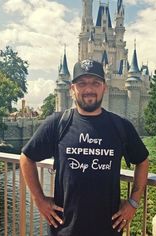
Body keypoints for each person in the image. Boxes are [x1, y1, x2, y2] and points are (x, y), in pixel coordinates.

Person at [20, 59, 149, 236]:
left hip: (108, 229)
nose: (89, 89)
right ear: (72, 89)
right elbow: (26, 158)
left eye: (95, 83)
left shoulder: (121, 126)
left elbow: (142, 160)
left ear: (105, 87)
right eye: (82, 83)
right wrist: (39, 199)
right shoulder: (57, 123)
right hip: (65, 229)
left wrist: (133, 202)